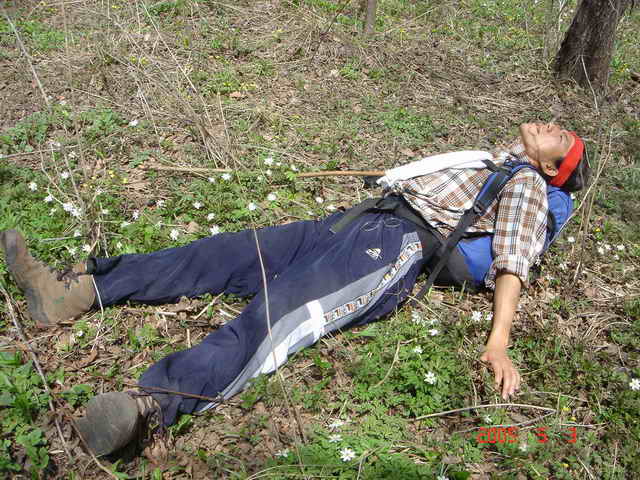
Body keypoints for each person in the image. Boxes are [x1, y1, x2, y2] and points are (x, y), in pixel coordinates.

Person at [1, 122, 590, 457]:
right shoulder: (492, 160)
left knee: (277, 315)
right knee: (217, 253)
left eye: (559, 136)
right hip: (351, 222)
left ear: (552, 169)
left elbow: (513, 260)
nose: (548, 125)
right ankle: (72, 292)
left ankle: (150, 407)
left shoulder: (528, 187)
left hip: (392, 247)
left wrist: (498, 341)